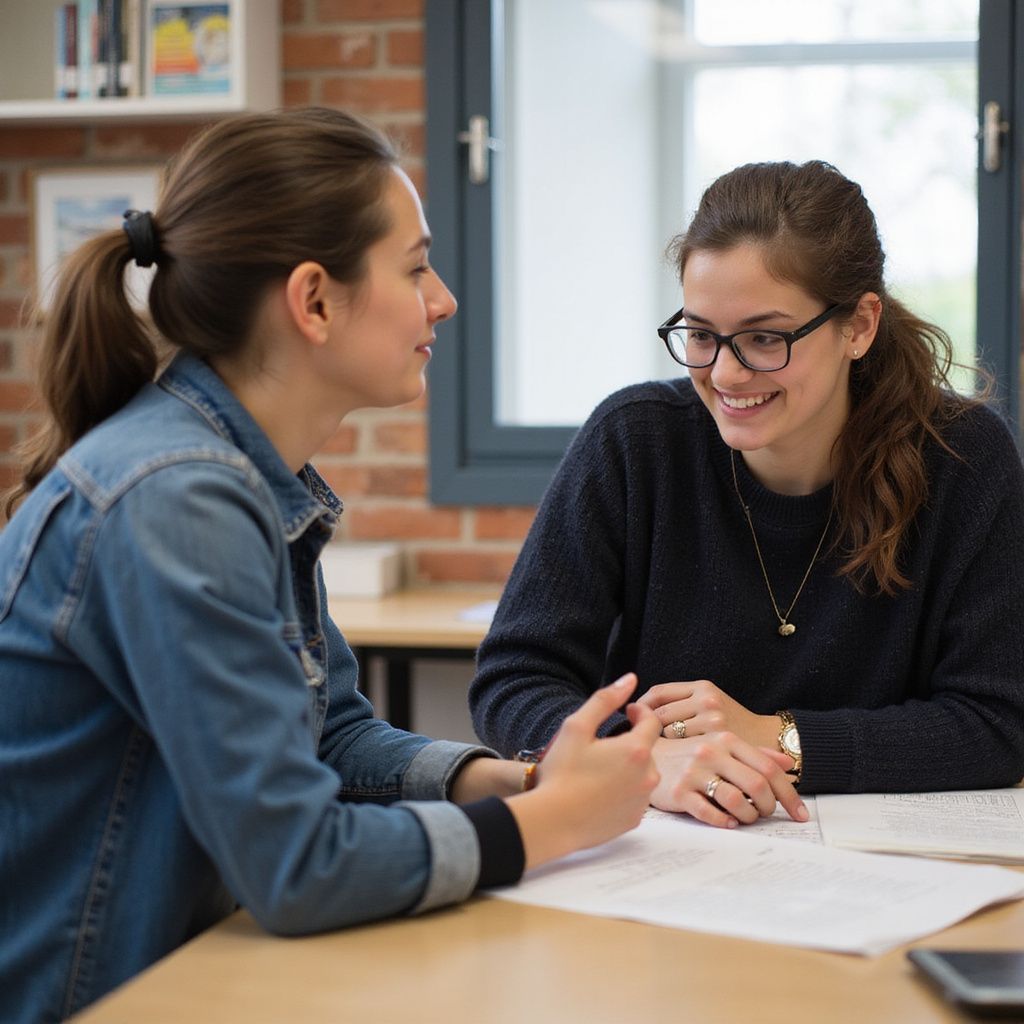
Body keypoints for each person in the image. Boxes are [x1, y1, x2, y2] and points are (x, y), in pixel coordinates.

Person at [0, 107, 661, 1024]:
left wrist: (508, 781)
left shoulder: (244, 475)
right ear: (313, 301)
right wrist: (554, 825)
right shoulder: (178, 497)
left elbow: (332, 737)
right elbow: (296, 866)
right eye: (417, 267)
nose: (444, 300)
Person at [470, 158, 1024, 832]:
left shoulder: (963, 456)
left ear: (859, 325)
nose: (725, 373)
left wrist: (776, 738)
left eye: (764, 338)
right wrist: (639, 757)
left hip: (884, 865)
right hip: (669, 862)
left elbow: (997, 722)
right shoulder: (634, 441)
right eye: (701, 335)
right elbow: (514, 678)